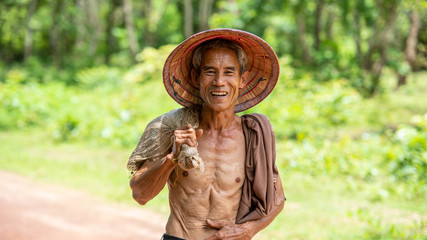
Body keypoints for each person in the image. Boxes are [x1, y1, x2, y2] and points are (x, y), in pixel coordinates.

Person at [127, 29, 285, 240]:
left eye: (229, 72)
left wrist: (248, 230)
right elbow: (140, 195)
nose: (219, 81)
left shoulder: (253, 134)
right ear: (196, 77)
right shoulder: (172, 127)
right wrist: (171, 159)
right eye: (210, 71)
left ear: (243, 79)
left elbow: (278, 199)